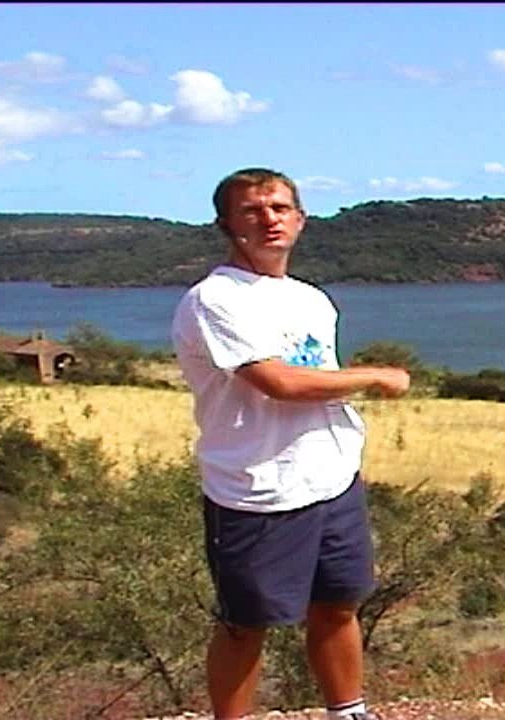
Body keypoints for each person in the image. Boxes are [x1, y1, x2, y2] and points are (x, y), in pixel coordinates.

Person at [171, 168, 409, 720]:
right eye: (252, 210)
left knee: (338, 603)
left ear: (300, 219)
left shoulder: (310, 299)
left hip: (332, 479)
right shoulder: (215, 299)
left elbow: (315, 373)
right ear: (226, 224)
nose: (269, 219)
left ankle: (348, 711)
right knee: (246, 623)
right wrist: (376, 376)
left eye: (279, 208)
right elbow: (279, 383)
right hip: (259, 488)